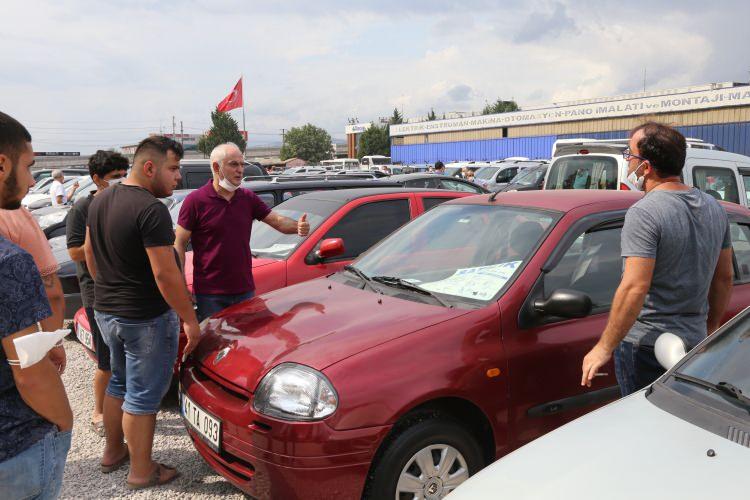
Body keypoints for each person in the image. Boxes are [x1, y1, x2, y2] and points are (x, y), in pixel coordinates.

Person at [581, 122, 734, 396]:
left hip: (646, 348)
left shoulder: (645, 212)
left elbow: (634, 287)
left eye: (630, 156)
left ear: (646, 166)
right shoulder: (714, 207)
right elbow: (724, 277)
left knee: (645, 425)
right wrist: (710, 328)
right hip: (694, 342)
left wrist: (603, 347)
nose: (627, 163)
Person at [85, 136, 200, 489]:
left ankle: (113, 452)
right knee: (143, 395)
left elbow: (90, 253)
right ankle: (141, 470)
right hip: (144, 318)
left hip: (107, 311)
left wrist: (110, 287)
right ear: (149, 167)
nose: (178, 177)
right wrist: (191, 321)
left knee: (118, 382)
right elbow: (165, 273)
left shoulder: (100, 199)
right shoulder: (151, 209)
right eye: (174, 168)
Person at [0, 111, 73, 499]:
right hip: (13, 447)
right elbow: (27, 369)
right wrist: (64, 423)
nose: (32, 180)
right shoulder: (8, 260)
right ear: (2, 163)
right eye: (29, 166)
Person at [174, 142, 310, 321]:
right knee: (215, 346)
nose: (240, 170)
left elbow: (276, 220)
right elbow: (179, 244)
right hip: (210, 294)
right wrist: (182, 287)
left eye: (242, 164)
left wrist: (297, 227)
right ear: (216, 167)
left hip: (244, 290)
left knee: (246, 344)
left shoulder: (247, 198)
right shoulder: (195, 201)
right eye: (234, 164)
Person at [66, 150, 128, 437]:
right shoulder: (83, 207)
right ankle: (99, 411)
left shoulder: (127, 202)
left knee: (124, 357)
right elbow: (74, 250)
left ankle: (125, 409)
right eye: (115, 177)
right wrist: (103, 243)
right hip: (97, 292)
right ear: (96, 179)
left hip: (125, 291)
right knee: (105, 360)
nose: (121, 180)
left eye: (123, 174)